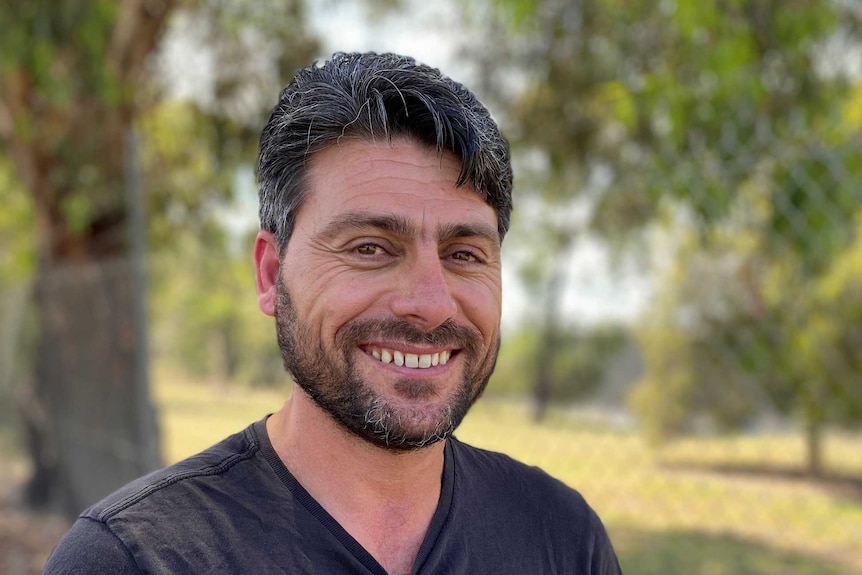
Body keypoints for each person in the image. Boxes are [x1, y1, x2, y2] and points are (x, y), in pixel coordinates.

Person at [43, 52, 621, 575]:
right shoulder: (136, 559)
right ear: (272, 274)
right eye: (370, 248)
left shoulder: (561, 538)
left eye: (464, 254)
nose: (428, 303)